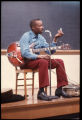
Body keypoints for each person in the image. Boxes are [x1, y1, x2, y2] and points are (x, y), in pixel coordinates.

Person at [19, 18, 71, 101]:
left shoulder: (41, 38)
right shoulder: (26, 36)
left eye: (42, 25)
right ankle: (41, 92)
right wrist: (39, 56)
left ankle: (59, 90)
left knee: (59, 62)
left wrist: (55, 39)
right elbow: (24, 53)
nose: (42, 27)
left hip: (37, 61)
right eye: (40, 26)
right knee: (43, 62)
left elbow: (50, 51)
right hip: (26, 62)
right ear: (33, 27)